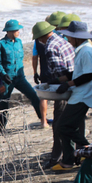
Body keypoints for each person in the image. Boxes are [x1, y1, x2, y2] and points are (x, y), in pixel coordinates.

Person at [32, 21, 76, 169]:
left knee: (59, 125)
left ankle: (57, 158)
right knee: (74, 122)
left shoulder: (50, 47)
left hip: (64, 89)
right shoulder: (61, 40)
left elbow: (60, 71)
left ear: (41, 38)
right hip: (75, 86)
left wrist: (53, 82)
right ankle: (75, 153)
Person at [51, 21, 92, 170]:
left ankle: (85, 148)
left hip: (83, 95)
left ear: (77, 38)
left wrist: (69, 84)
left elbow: (89, 74)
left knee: (63, 126)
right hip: (80, 93)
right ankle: (71, 159)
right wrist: (57, 80)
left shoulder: (86, 51)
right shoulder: (81, 50)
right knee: (69, 127)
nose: (68, 40)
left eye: (69, 37)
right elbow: (78, 73)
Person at [0, 19, 42, 130]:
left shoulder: (19, 42)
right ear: (9, 31)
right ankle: (1, 127)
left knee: (34, 96)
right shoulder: (0, 44)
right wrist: (3, 74)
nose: (18, 32)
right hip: (7, 79)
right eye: (16, 30)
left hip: (20, 77)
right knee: (3, 102)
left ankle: (42, 119)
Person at [31, 11, 66, 128]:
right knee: (61, 98)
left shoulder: (38, 40)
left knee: (43, 96)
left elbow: (35, 57)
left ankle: (43, 122)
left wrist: (35, 72)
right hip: (58, 72)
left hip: (45, 70)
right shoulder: (60, 36)